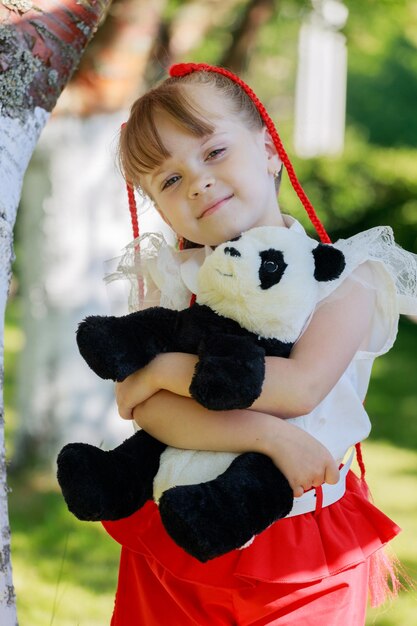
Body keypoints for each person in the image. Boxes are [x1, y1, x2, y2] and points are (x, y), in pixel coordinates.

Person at [101, 63, 416, 625]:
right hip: (175, 534)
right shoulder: (175, 283)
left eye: (213, 152)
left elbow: (298, 388)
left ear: (268, 151)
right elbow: (146, 412)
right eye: (169, 181)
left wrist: (161, 371)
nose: (196, 181)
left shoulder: (345, 276)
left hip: (302, 548)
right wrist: (270, 439)